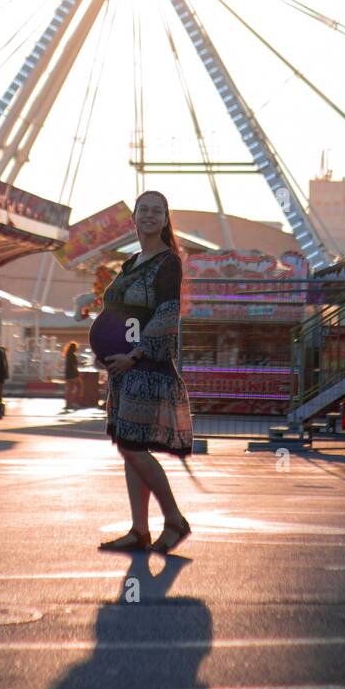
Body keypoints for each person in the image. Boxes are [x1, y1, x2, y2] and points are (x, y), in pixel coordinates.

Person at [98, 190, 193, 554]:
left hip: (146, 367)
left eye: (158, 211)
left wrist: (134, 355)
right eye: (144, 210)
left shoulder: (167, 263)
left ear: (166, 220)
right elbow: (118, 312)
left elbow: (167, 315)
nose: (150, 215)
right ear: (133, 218)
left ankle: (174, 519)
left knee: (136, 448)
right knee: (128, 445)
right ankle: (139, 529)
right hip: (123, 369)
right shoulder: (131, 262)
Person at [63, 341, 81, 411]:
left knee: (69, 389)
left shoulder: (67, 354)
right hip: (73, 375)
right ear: (74, 348)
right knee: (79, 387)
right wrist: (78, 373)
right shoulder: (73, 355)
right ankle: (74, 402)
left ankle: (68, 404)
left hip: (67, 374)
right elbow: (74, 366)